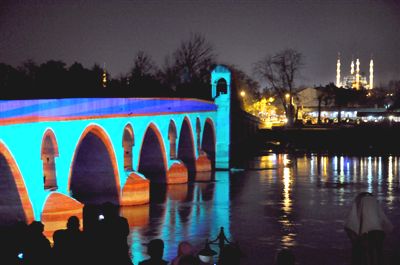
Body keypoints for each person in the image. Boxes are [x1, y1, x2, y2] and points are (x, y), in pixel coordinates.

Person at [344, 192, 393, 265]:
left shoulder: (359, 202)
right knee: (377, 257)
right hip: (378, 234)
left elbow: (350, 224)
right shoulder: (373, 202)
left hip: (364, 237)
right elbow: (387, 224)